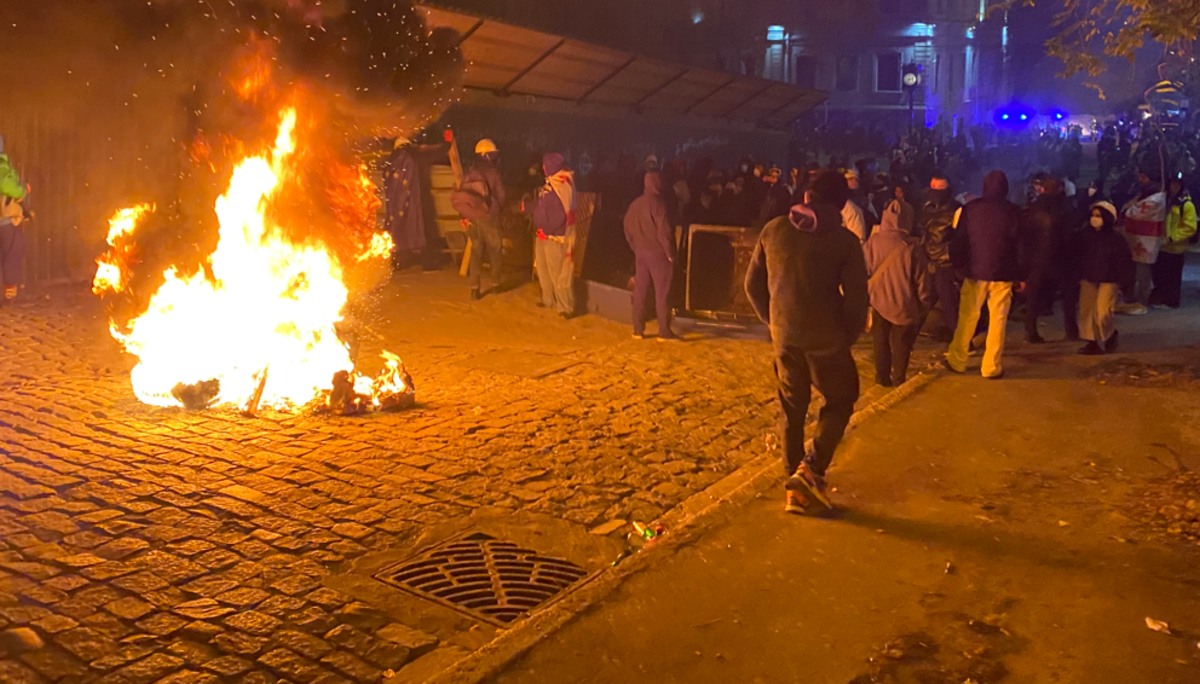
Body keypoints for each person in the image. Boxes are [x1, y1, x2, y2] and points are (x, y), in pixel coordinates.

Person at [745, 170, 869, 513]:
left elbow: (751, 287)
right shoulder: (845, 242)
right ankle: (811, 469)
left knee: (792, 406)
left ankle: (793, 480)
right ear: (842, 205)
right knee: (842, 399)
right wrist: (846, 335)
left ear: (805, 196)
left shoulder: (773, 230)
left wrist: (774, 323)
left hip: (784, 339)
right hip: (827, 340)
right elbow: (857, 299)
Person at [945, 171, 1024, 379]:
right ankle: (991, 366)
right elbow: (1020, 247)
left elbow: (959, 241)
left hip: (974, 272)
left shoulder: (970, 209)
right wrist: (1021, 274)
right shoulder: (1014, 212)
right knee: (998, 320)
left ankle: (958, 359)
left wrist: (958, 266)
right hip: (1003, 273)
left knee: (968, 317)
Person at [864, 199, 932, 387]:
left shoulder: (873, 241)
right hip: (905, 305)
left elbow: (865, 269)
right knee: (901, 345)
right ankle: (899, 380)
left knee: (880, 341)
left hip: (878, 301)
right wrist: (924, 302)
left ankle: (882, 377)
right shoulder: (912, 247)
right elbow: (922, 281)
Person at [1022, 174, 1077, 343]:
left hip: (1037, 259)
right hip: (1062, 258)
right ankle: (1071, 329)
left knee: (1033, 296)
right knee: (1068, 297)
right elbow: (1072, 236)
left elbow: (1025, 237)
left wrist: (1025, 261)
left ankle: (1031, 331)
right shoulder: (1067, 209)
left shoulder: (1032, 209)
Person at [624, 171, 677, 340]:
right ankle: (664, 331)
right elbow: (664, 231)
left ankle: (637, 329)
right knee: (662, 293)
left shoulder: (635, 204)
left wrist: (636, 247)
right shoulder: (659, 204)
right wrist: (670, 252)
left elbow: (627, 228)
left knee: (640, 291)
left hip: (641, 254)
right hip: (658, 254)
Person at [1076, 202, 1134, 354]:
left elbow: (1124, 262)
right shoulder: (1084, 236)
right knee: (1087, 311)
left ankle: (1109, 335)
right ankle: (1091, 342)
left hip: (1109, 279)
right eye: (1093, 215)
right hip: (1088, 278)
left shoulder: (1116, 239)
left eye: (1098, 216)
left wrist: (1125, 283)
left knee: (1103, 312)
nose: (1094, 219)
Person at [455, 139, 506, 300]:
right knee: (495, 251)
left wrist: (463, 216)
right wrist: (496, 209)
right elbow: (502, 195)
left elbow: (463, 196)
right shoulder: (494, 173)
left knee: (476, 252)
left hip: (472, 219)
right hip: (489, 218)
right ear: (489, 155)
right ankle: (495, 284)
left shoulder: (470, 173)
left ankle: (474, 288)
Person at [530, 153, 576, 318]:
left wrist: (546, 231)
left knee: (558, 273)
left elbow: (561, 216)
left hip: (555, 236)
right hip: (543, 234)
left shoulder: (562, 185)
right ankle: (548, 299)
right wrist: (526, 207)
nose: (542, 168)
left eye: (544, 165)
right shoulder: (550, 184)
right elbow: (543, 205)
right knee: (543, 269)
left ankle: (565, 307)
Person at [917, 176, 962, 341]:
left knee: (948, 303)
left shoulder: (957, 210)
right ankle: (907, 335)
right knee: (926, 300)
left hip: (945, 262)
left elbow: (960, 237)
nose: (935, 191)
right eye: (932, 187)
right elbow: (923, 234)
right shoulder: (926, 208)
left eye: (939, 188)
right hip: (928, 261)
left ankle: (960, 340)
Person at [1148, 176, 1196, 309]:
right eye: (1172, 184)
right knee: (1160, 274)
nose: (1174, 187)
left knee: (1173, 277)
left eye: (1177, 185)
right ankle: (1161, 298)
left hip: (1175, 247)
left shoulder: (1186, 204)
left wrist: (1173, 237)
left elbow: (1190, 227)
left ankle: (1172, 301)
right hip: (1162, 246)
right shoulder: (1165, 201)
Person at [0, 137, 27, 304]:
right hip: (6, 220)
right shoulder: (1, 167)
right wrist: (22, 191)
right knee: (13, 252)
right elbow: (7, 185)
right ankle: (10, 290)